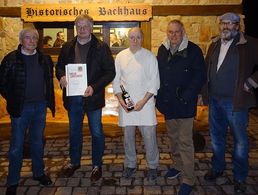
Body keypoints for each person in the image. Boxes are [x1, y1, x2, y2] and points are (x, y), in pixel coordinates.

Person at [202, 12, 258, 193]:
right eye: (223, 23)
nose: (226, 26)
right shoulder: (214, 44)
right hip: (215, 101)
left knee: (240, 142)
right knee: (217, 139)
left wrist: (251, 82)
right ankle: (218, 168)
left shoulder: (249, 44)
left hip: (235, 103)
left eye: (230, 23)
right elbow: (207, 70)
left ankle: (240, 177)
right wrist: (203, 94)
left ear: (237, 26)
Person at [55, 14, 115, 182]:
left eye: (85, 26)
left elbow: (110, 72)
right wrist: (61, 77)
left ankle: (97, 164)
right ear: (76, 28)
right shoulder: (67, 46)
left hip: (93, 97)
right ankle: (74, 162)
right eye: (79, 26)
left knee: (96, 132)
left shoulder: (101, 47)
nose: (82, 29)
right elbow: (59, 66)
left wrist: (94, 87)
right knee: (74, 132)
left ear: (91, 27)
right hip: (73, 99)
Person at [0, 27, 55, 195]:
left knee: (37, 143)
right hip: (21, 109)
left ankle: (39, 173)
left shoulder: (44, 59)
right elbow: (2, 83)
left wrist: (47, 101)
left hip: (40, 107)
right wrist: (14, 99)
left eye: (34, 38)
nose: (31, 41)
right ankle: (13, 181)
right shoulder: (11, 59)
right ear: (21, 40)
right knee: (16, 146)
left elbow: (48, 82)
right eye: (27, 38)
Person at [156, 20, 206, 194]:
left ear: (183, 32)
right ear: (167, 33)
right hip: (169, 104)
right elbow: (159, 75)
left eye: (177, 32)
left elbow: (200, 75)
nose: (173, 35)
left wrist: (187, 95)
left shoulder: (193, 50)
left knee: (185, 142)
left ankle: (188, 179)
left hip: (184, 104)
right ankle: (177, 165)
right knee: (173, 138)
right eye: (170, 32)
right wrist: (159, 98)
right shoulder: (162, 50)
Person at [112, 27, 160, 182]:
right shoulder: (120, 56)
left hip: (145, 104)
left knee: (149, 137)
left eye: (138, 37)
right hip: (127, 104)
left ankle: (152, 166)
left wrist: (143, 102)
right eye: (132, 37)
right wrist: (121, 101)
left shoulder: (150, 56)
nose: (135, 40)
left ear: (142, 38)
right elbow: (116, 81)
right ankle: (130, 164)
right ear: (128, 39)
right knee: (128, 138)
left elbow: (154, 83)